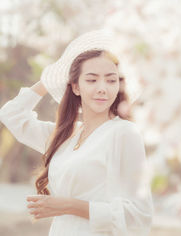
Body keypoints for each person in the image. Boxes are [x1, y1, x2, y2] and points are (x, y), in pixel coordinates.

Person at [0, 30, 154, 236]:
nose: (102, 88)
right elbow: (11, 115)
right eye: (91, 80)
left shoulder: (124, 133)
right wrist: (50, 79)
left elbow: (140, 215)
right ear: (75, 87)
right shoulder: (64, 136)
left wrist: (69, 206)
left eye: (111, 80)